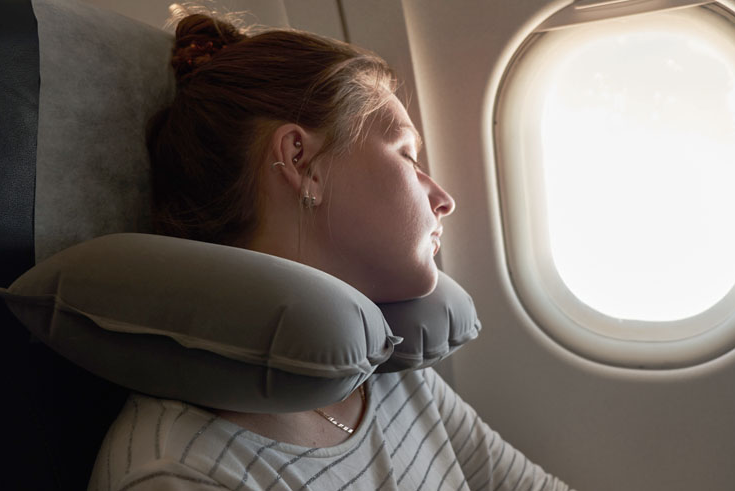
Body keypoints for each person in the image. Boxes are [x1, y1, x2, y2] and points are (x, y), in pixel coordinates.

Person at [88, 13, 572, 491]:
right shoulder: (184, 470)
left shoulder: (387, 374)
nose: (444, 199)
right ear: (303, 162)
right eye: (407, 154)